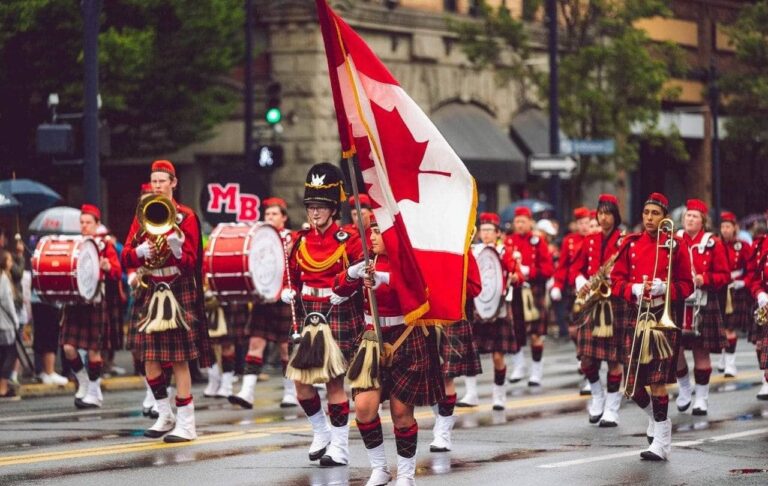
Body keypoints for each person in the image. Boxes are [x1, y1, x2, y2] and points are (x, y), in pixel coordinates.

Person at [336, 215, 443, 486]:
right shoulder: (366, 259)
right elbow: (337, 290)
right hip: (371, 338)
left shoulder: (407, 260)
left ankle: (406, 475)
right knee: (363, 408)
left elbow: (419, 292)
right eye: (370, 231)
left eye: (377, 232)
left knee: (401, 413)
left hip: (404, 337)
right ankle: (380, 469)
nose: (371, 237)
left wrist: (384, 278)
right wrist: (351, 274)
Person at [122, 160, 213, 442]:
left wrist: (175, 247)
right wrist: (138, 252)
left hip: (176, 287)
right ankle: (164, 414)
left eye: (162, 180)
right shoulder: (142, 215)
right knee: (149, 358)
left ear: (173, 183)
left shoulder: (186, 217)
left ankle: (187, 423)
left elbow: (191, 262)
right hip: (151, 287)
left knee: (179, 360)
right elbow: (124, 255)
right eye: (154, 180)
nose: (157, 185)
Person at [281, 162, 364, 466]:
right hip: (308, 314)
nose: (314, 213)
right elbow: (291, 272)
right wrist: (286, 289)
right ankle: (321, 431)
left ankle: (340, 448)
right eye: (311, 206)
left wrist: (348, 285)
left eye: (321, 207)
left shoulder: (349, 239)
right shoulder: (301, 240)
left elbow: (362, 273)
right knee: (301, 383)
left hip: (336, 312)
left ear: (333, 209)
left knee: (333, 384)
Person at [610, 192, 693, 461]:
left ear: (665, 217)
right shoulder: (630, 244)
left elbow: (688, 285)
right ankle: (660, 423)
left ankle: (661, 442)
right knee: (633, 387)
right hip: (637, 314)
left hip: (663, 318)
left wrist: (665, 287)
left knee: (658, 381)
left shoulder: (676, 245)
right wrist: (633, 288)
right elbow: (615, 282)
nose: (649, 218)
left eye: (655, 214)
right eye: (646, 213)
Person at [230, 197, 297, 408]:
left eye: (274, 214)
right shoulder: (258, 238)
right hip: (264, 298)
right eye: (267, 214)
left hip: (285, 297)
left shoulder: (292, 238)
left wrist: (290, 287)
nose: (269, 218)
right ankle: (247, 392)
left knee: (286, 348)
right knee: (255, 343)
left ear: (284, 218)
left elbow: (297, 267)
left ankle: (290, 392)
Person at [570, 194, 626, 426]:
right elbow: (575, 267)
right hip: (592, 303)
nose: (603, 218)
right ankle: (597, 396)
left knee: (614, 359)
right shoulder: (590, 240)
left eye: (607, 213)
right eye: (600, 213)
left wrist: (617, 280)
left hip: (614, 304)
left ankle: (612, 408)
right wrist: (580, 280)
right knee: (586, 359)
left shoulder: (624, 240)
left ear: (615, 215)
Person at [59, 204, 122, 408]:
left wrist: (108, 266)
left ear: (97, 224)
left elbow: (116, 271)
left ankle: (94, 392)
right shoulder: (75, 245)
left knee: (94, 351)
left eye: (88, 222)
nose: (84, 226)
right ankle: (83, 381)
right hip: (76, 302)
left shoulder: (105, 245)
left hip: (95, 301)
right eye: (82, 222)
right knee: (68, 347)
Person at [674, 199, 730, 416]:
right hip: (679, 301)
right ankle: (685, 389)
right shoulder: (675, 239)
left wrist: (703, 278)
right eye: (688, 215)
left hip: (703, 302)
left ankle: (702, 398)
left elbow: (724, 275)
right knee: (675, 350)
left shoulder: (712, 243)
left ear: (703, 221)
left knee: (701, 351)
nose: (690, 219)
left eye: (695, 216)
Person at [468, 212, 522, 410]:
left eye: (490, 230)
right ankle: (471, 393)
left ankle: (499, 394)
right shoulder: (474, 251)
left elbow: (519, 276)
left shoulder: (505, 252)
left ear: (498, 233)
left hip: (498, 307)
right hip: (477, 307)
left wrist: (516, 277)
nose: (486, 234)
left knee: (498, 356)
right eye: (483, 230)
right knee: (471, 353)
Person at [431, 252, 482, 452]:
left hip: (451, 314)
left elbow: (475, 287)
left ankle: (443, 431)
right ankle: (442, 419)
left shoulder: (461, 247)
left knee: (446, 376)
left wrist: (450, 284)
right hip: (423, 314)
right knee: (427, 376)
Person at [504, 206, 554, 386]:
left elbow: (548, 270)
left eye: (523, 221)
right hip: (516, 291)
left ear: (530, 222)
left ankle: (536, 371)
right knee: (515, 332)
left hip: (534, 291)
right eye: (517, 221)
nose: (519, 224)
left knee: (536, 334)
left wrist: (528, 271)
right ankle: (519, 366)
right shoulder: (508, 241)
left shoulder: (538, 242)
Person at [718, 211, 752, 377]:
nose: (725, 230)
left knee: (730, 327)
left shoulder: (743, 246)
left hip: (736, 290)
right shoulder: (716, 245)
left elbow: (751, 269)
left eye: (728, 226)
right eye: (723, 226)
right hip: (720, 288)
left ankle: (730, 364)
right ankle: (724, 358)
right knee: (722, 327)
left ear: (735, 228)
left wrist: (744, 282)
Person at [0, 250, 20, 400]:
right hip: (5, 323)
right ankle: (3, 387)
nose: (11, 263)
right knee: (10, 354)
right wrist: (15, 320)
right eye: (9, 260)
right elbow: (7, 302)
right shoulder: (3, 278)